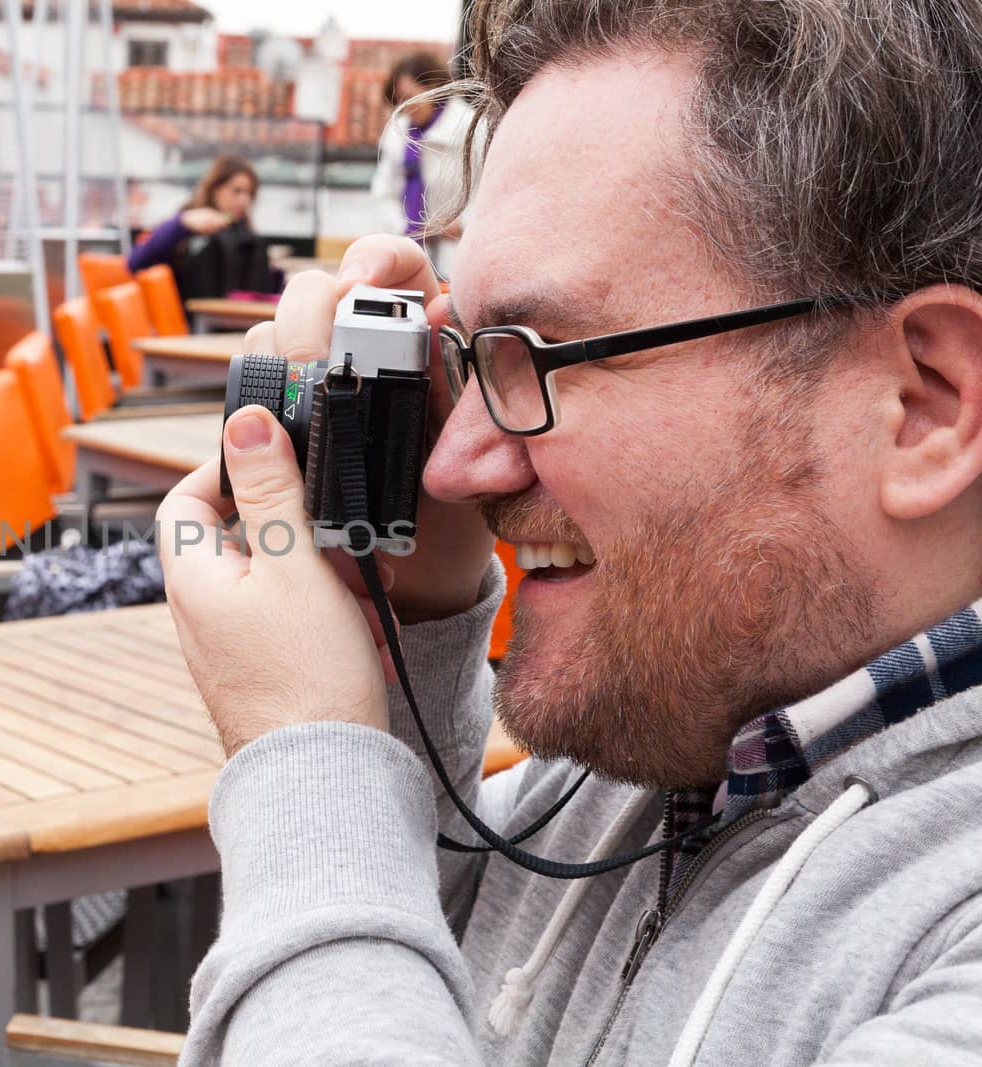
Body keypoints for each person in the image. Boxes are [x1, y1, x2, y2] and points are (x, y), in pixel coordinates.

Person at [157, 1, 982, 1063]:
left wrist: (311, 766)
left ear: (924, 402)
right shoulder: (688, 708)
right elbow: (413, 985)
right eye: (465, 358)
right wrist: (401, 630)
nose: (454, 464)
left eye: (538, 357)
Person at [371, 51, 476, 278]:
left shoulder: (472, 128)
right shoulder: (397, 133)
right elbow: (384, 191)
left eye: (410, 96)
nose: (405, 106)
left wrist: (464, 224)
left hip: (460, 256)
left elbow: (490, 188)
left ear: (433, 86)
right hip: (409, 252)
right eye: (399, 100)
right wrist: (405, 229)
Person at [128, 155, 275, 305]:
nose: (244, 201)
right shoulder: (185, 225)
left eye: (250, 194)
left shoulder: (243, 234)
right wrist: (181, 223)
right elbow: (135, 262)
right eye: (237, 191)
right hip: (192, 322)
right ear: (214, 189)